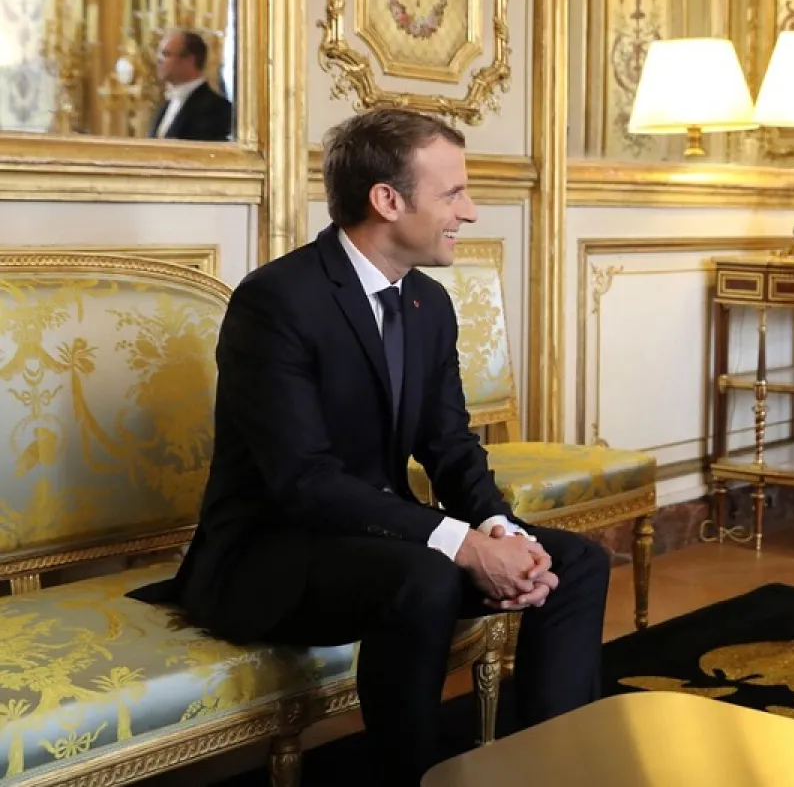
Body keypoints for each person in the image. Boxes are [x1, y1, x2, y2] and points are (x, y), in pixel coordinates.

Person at [132, 108, 610, 786]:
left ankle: (547, 770)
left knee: (577, 561)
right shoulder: (277, 301)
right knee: (428, 572)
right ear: (387, 199)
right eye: (453, 193)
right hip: (272, 555)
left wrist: (502, 529)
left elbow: (448, 443)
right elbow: (305, 482)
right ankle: (409, 776)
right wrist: (466, 544)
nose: (469, 211)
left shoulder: (428, 305)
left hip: (379, 538)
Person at [148, 28, 232, 140]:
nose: (159, 60)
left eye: (165, 54)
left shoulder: (217, 108)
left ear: (189, 60)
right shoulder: (166, 104)